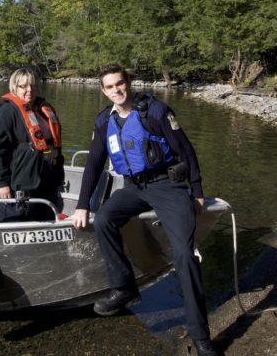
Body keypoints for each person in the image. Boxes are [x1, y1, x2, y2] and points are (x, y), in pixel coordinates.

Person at [72, 64, 218, 356]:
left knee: (184, 256)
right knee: (104, 220)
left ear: (128, 83)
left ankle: (202, 339)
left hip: (167, 186)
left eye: (120, 84)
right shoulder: (104, 121)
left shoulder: (155, 112)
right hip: (133, 187)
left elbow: (187, 151)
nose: (116, 90)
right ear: (103, 90)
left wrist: (197, 192)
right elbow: (93, 165)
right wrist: (82, 204)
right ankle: (124, 288)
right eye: (110, 86)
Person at [0, 67, 64, 221]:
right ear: (14, 88)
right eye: (23, 86)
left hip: (46, 184)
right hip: (21, 187)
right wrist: (1, 183)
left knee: (45, 223)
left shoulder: (43, 110)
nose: (30, 90)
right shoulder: (6, 113)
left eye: (33, 85)